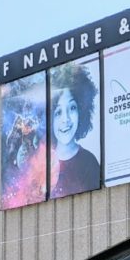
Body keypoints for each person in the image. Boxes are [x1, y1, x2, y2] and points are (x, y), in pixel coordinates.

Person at [49, 62, 100, 198]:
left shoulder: (89, 163)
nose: (65, 119)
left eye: (72, 108)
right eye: (58, 112)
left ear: (81, 110)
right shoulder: (38, 162)